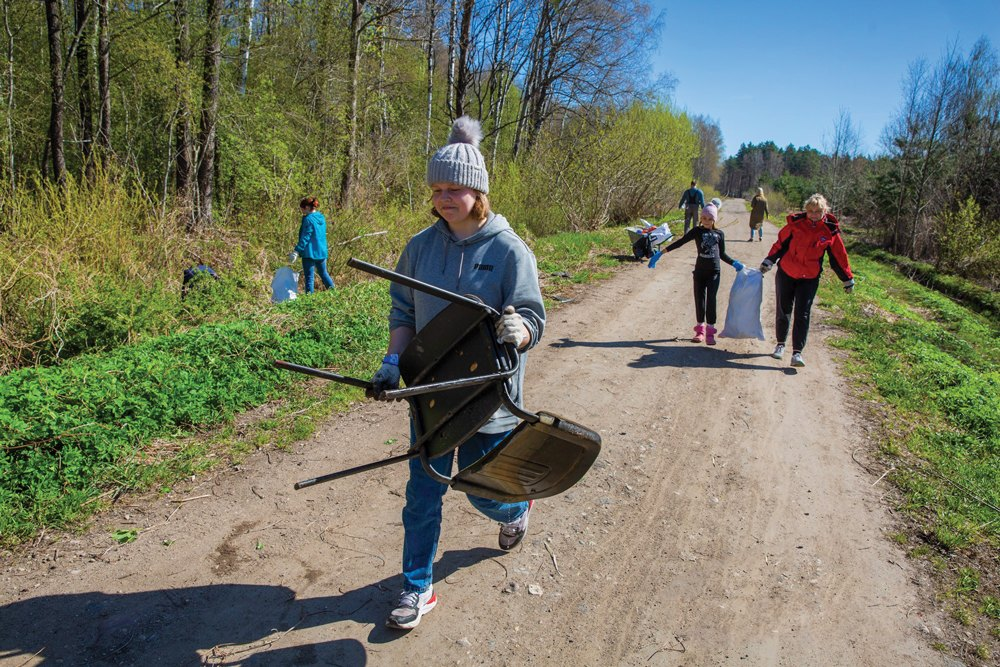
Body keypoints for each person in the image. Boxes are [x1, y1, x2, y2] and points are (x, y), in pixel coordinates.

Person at [369, 116, 546, 631]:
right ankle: (417, 586)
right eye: (437, 189)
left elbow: (532, 315)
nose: (444, 198)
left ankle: (515, 510)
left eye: (455, 189)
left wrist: (520, 330)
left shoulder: (509, 250)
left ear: (478, 191)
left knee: (480, 489)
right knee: (422, 493)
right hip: (430, 394)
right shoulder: (419, 248)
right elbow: (403, 312)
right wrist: (392, 362)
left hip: (488, 397)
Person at [759, 193, 854, 368]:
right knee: (784, 309)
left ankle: (797, 353)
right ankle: (780, 345)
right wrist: (769, 261)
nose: (814, 215)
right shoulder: (795, 225)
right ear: (806, 211)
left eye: (818, 211)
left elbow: (838, 257)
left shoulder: (829, 231)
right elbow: (780, 244)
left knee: (803, 313)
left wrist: (847, 278)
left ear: (825, 211)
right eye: (810, 211)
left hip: (809, 278)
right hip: (787, 273)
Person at [650, 203, 743, 345]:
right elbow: (680, 242)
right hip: (699, 272)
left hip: (714, 272)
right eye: (704, 218)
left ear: (714, 219)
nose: (706, 221)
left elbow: (722, 254)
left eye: (709, 219)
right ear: (700, 218)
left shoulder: (719, 234)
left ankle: (710, 332)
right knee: (699, 300)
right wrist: (661, 253)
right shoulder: (697, 231)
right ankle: (700, 331)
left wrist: (734, 263)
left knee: (711, 300)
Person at [288, 196, 334, 293]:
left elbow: (305, 237)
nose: (302, 211)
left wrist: (296, 251)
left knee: (309, 278)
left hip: (309, 253)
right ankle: (335, 293)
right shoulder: (321, 217)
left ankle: (309, 299)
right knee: (324, 274)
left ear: (307, 207)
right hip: (321, 251)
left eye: (302, 209)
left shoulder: (308, 219)